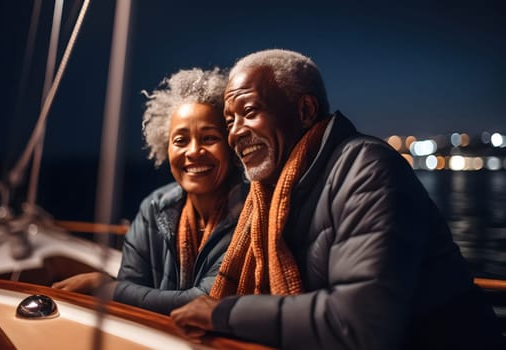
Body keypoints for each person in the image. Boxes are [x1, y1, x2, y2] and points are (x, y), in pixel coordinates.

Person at [170, 49, 505, 349]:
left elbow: (360, 324)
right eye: (230, 120)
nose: (236, 132)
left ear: (305, 110)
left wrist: (224, 312)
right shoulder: (267, 196)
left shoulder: (367, 169)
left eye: (249, 111)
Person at [52, 67, 248, 315]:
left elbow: (202, 302)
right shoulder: (155, 208)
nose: (193, 151)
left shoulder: (250, 214)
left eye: (209, 138)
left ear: (231, 146)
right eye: (180, 140)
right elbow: (130, 294)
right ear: (165, 147)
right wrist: (120, 290)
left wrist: (107, 287)